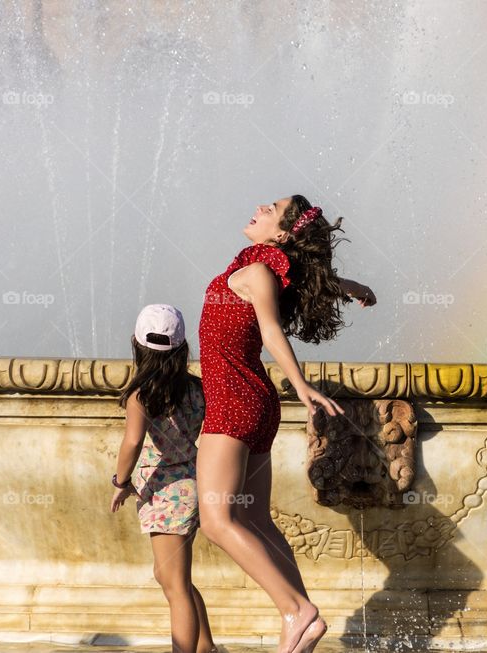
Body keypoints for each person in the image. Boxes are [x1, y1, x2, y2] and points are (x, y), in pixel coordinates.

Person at [197, 196, 376, 653]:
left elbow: (272, 331)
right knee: (254, 518)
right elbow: (309, 281)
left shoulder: (256, 273)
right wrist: (351, 286)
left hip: (233, 401)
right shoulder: (267, 272)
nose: (258, 205)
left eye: (271, 207)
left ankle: (297, 611)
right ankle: (297, 623)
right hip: (253, 401)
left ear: (282, 234)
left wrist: (299, 384)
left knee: (217, 520)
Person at [110, 303, 215, 653]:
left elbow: (132, 442)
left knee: (176, 587)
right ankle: (206, 647)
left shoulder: (142, 396)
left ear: (137, 347)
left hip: (165, 494)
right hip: (190, 483)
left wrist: (119, 482)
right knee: (171, 578)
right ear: (182, 349)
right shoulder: (197, 390)